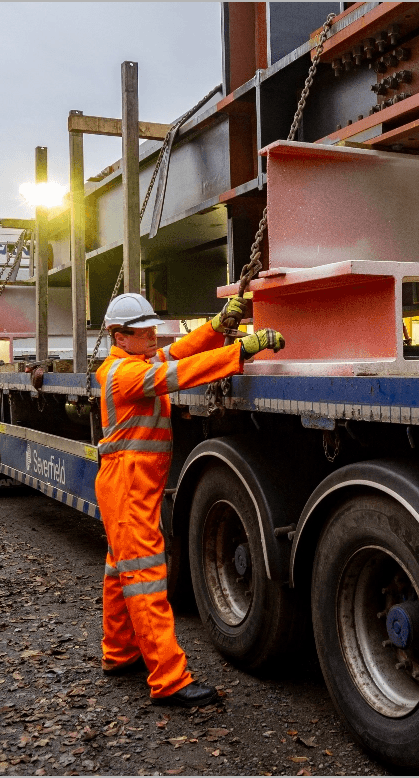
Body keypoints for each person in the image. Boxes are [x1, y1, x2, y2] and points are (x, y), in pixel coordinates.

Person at [94, 292, 284, 706]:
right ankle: (169, 680)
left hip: (128, 484)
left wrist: (216, 328)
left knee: (120, 569)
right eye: (144, 333)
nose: (153, 337)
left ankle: (119, 652)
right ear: (120, 336)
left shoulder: (135, 363)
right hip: (127, 485)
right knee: (144, 579)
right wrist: (241, 350)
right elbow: (180, 374)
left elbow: (179, 353)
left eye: (151, 329)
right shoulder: (124, 374)